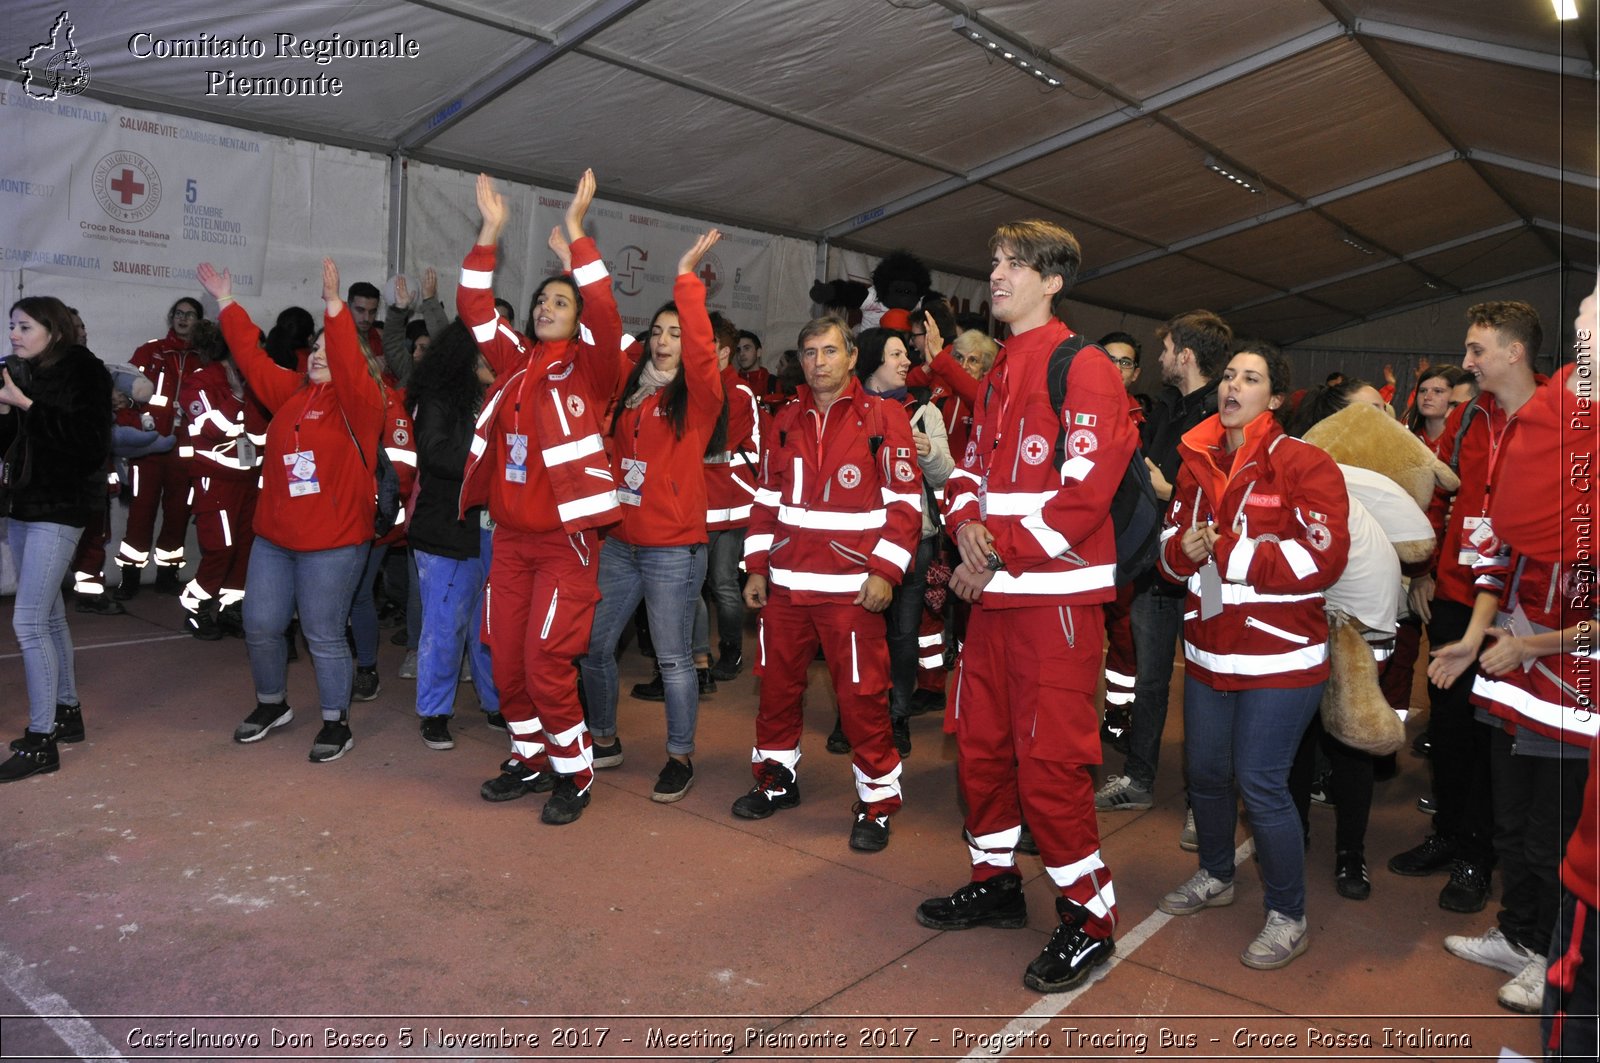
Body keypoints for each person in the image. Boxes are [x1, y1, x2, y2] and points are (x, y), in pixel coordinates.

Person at [917, 219, 1136, 994]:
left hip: (1055, 604)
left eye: (1014, 264)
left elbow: (1085, 494)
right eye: (995, 261)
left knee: (1050, 763)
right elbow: (972, 467)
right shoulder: (1006, 363)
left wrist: (993, 548)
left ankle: (1090, 916)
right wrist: (969, 528)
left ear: (1053, 281)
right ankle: (998, 881)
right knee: (980, 748)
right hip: (999, 594)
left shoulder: (1084, 369)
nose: (997, 274)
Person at [1155, 341, 1349, 970]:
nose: (1233, 386)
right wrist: (1182, 553)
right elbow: (1169, 552)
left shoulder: (1306, 463)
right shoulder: (1196, 462)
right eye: (1230, 376)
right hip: (1211, 649)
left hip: (1281, 657)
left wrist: (1231, 550)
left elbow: (1322, 560)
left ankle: (1288, 915)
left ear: (1275, 396)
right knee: (1206, 776)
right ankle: (1216, 875)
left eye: (1251, 377)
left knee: (1262, 785)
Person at [458, 170, 623, 825]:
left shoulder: (593, 366)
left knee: (546, 660)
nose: (548, 306)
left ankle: (574, 772)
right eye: (543, 301)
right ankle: (528, 756)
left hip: (566, 545)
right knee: (505, 654)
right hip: (510, 540)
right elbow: (474, 309)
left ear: (576, 317)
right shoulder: (514, 363)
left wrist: (579, 238)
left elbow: (606, 313)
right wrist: (490, 234)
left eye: (561, 300)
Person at [735, 316, 920, 851]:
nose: (819, 363)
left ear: (852, 357)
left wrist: (886, 572)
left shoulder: (884, 417)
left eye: (830, 351)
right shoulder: (784, 419)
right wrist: (755, 567)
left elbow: (906, 505)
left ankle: (877, 802)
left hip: (851, 592)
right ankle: (775, 777)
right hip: (786, 589)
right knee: (775, 688)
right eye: (810, 353)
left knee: (863, 699)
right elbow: (767, 498)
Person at [1390, 302, 1546, 915]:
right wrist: (1427, 564)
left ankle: (1482, 855)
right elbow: (1438, 490)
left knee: (1497, 737)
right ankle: (1451, 834)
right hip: (1457, 591)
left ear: (1515, 352)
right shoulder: (1467, 417)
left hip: (1520, 607)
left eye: (1477, 349)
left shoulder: (1560, 424)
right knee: (1450, 727)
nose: (1466, 361)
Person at [201, 258, 385, 764]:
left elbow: (347, 358)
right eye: (316, 347)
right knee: (261, 624)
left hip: (334, 543)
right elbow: (252, 358)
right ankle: (271, 704)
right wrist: (226, 302)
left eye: (330, 348)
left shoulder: (362, 404)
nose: (321, 353)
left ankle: (335, 722)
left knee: (323, 633)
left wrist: (333, 310)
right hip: (275, 541)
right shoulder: (292, 395)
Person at [580, 229, 724, 804]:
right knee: (593, 647)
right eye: (658, 332)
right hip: (619, 543)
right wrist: (578, 253)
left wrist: (686, 279)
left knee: (671, 658)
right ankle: (605, 737)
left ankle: (679, 756)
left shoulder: (699, 399)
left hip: (673, 548)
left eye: (676, 333)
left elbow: (702, 352)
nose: (664, 342)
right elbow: (600, 328)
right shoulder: (626, 393)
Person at [1096, 310, 1231, 845]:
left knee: (1210, 685)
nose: (1160, 359)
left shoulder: (1224, 415)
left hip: (1207, 576)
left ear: (1187, 357)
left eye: (1167, 348)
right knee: (1150, 680)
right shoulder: (1166, 408)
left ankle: (1206, 801)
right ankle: (1139, 778)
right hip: (1157, 570)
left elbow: (1233, 502)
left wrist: (1167, 491)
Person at [0, 297, 113, 782]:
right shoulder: (24, 371)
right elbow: (14, 440)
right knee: (46, 615)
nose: (14, 335)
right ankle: (67, 712)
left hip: (63, 505)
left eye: (24, 327)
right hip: (26, 503)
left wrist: (24, 404)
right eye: (11, 327)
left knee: (28, 623)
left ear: (53, 329)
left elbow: (87, 444)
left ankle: (41, 739)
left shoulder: (82, 371)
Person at [848, 325, 952, 757]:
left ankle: (898, 716)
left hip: (915, 539)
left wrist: (926, 451)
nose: (906, 362)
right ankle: (849, 718)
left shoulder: (925, 410)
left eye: (905, 355)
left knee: (905, 636)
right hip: (856, 542)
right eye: (896, 355)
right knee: (854, 634)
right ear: (873, 360)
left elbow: (946, 474)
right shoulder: (847, 410)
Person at [405, 320, 502, 749]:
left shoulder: (500, 397)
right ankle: (435, 711)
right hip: (447, 528)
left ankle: (495, 702)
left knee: (488, 626)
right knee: (445, 628)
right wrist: (492, 460)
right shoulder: (440, 397)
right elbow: (435, 454)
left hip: (492, 529)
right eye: (485, 350)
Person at [176, 319, 267, 640]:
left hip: (250, 481)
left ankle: (231, 608)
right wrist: (238, 397)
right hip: (215, 481)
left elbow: (262, 433)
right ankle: (195, 607)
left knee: (245, 549)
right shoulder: (198, 382)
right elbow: (213, 431)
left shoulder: (257, 381)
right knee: (221, 549)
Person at [113, 296, 203, 599]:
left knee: (178, 514)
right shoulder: (150, 351)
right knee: (141, 513)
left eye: (190, 315)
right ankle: (130, 577)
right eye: (179, 313)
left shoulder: (204, 359)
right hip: (149, 448)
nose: (183, 319)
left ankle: (167, 573)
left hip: (185, 451)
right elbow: (123, 393)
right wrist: (131, 431)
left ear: (199, 322)